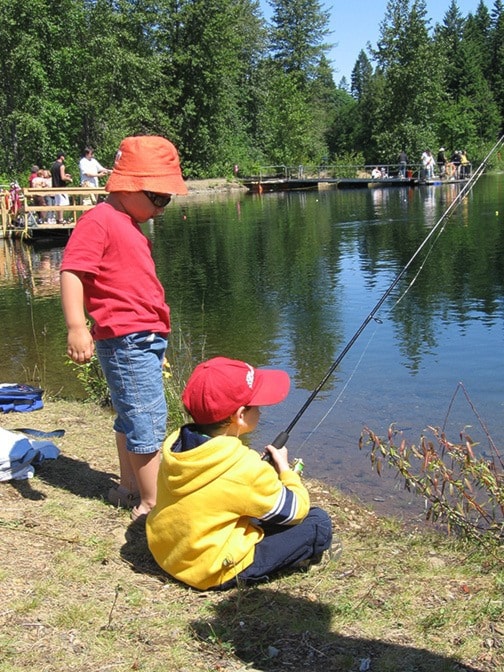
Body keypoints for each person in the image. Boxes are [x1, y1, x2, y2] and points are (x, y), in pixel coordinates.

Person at [60, 135, 188, 521]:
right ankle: (151, 504)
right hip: (126, 339)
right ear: (131, 184)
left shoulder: (127, 222)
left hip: (141, 339)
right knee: (147, 418)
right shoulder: (98, 220)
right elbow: (72, 272)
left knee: (130, 415)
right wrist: (76, 326)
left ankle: (129, 487)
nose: (163, 208)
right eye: (160, 198)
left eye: (168, 200)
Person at [146, 356, 336, 591]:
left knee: (257, 511)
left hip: (169, 553)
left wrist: (253, 471)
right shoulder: (243, 467)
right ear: (241, 415)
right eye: (257, 405)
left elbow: (218, 489)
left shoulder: (177, 446)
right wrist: (286, 472)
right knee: (318, 522)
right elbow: (295, 511)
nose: (262, 411)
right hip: (212, 570)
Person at [50, 152, 72, 223]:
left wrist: (66, 175)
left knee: (57, 203)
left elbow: (57, 175)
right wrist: (69, 179)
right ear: (61, 157)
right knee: (62, 203)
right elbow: (62, 178)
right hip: (61, 187)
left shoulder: (53, 166)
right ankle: (61, 219)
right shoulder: (61, 166)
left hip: (54, 186)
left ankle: (58, 218)